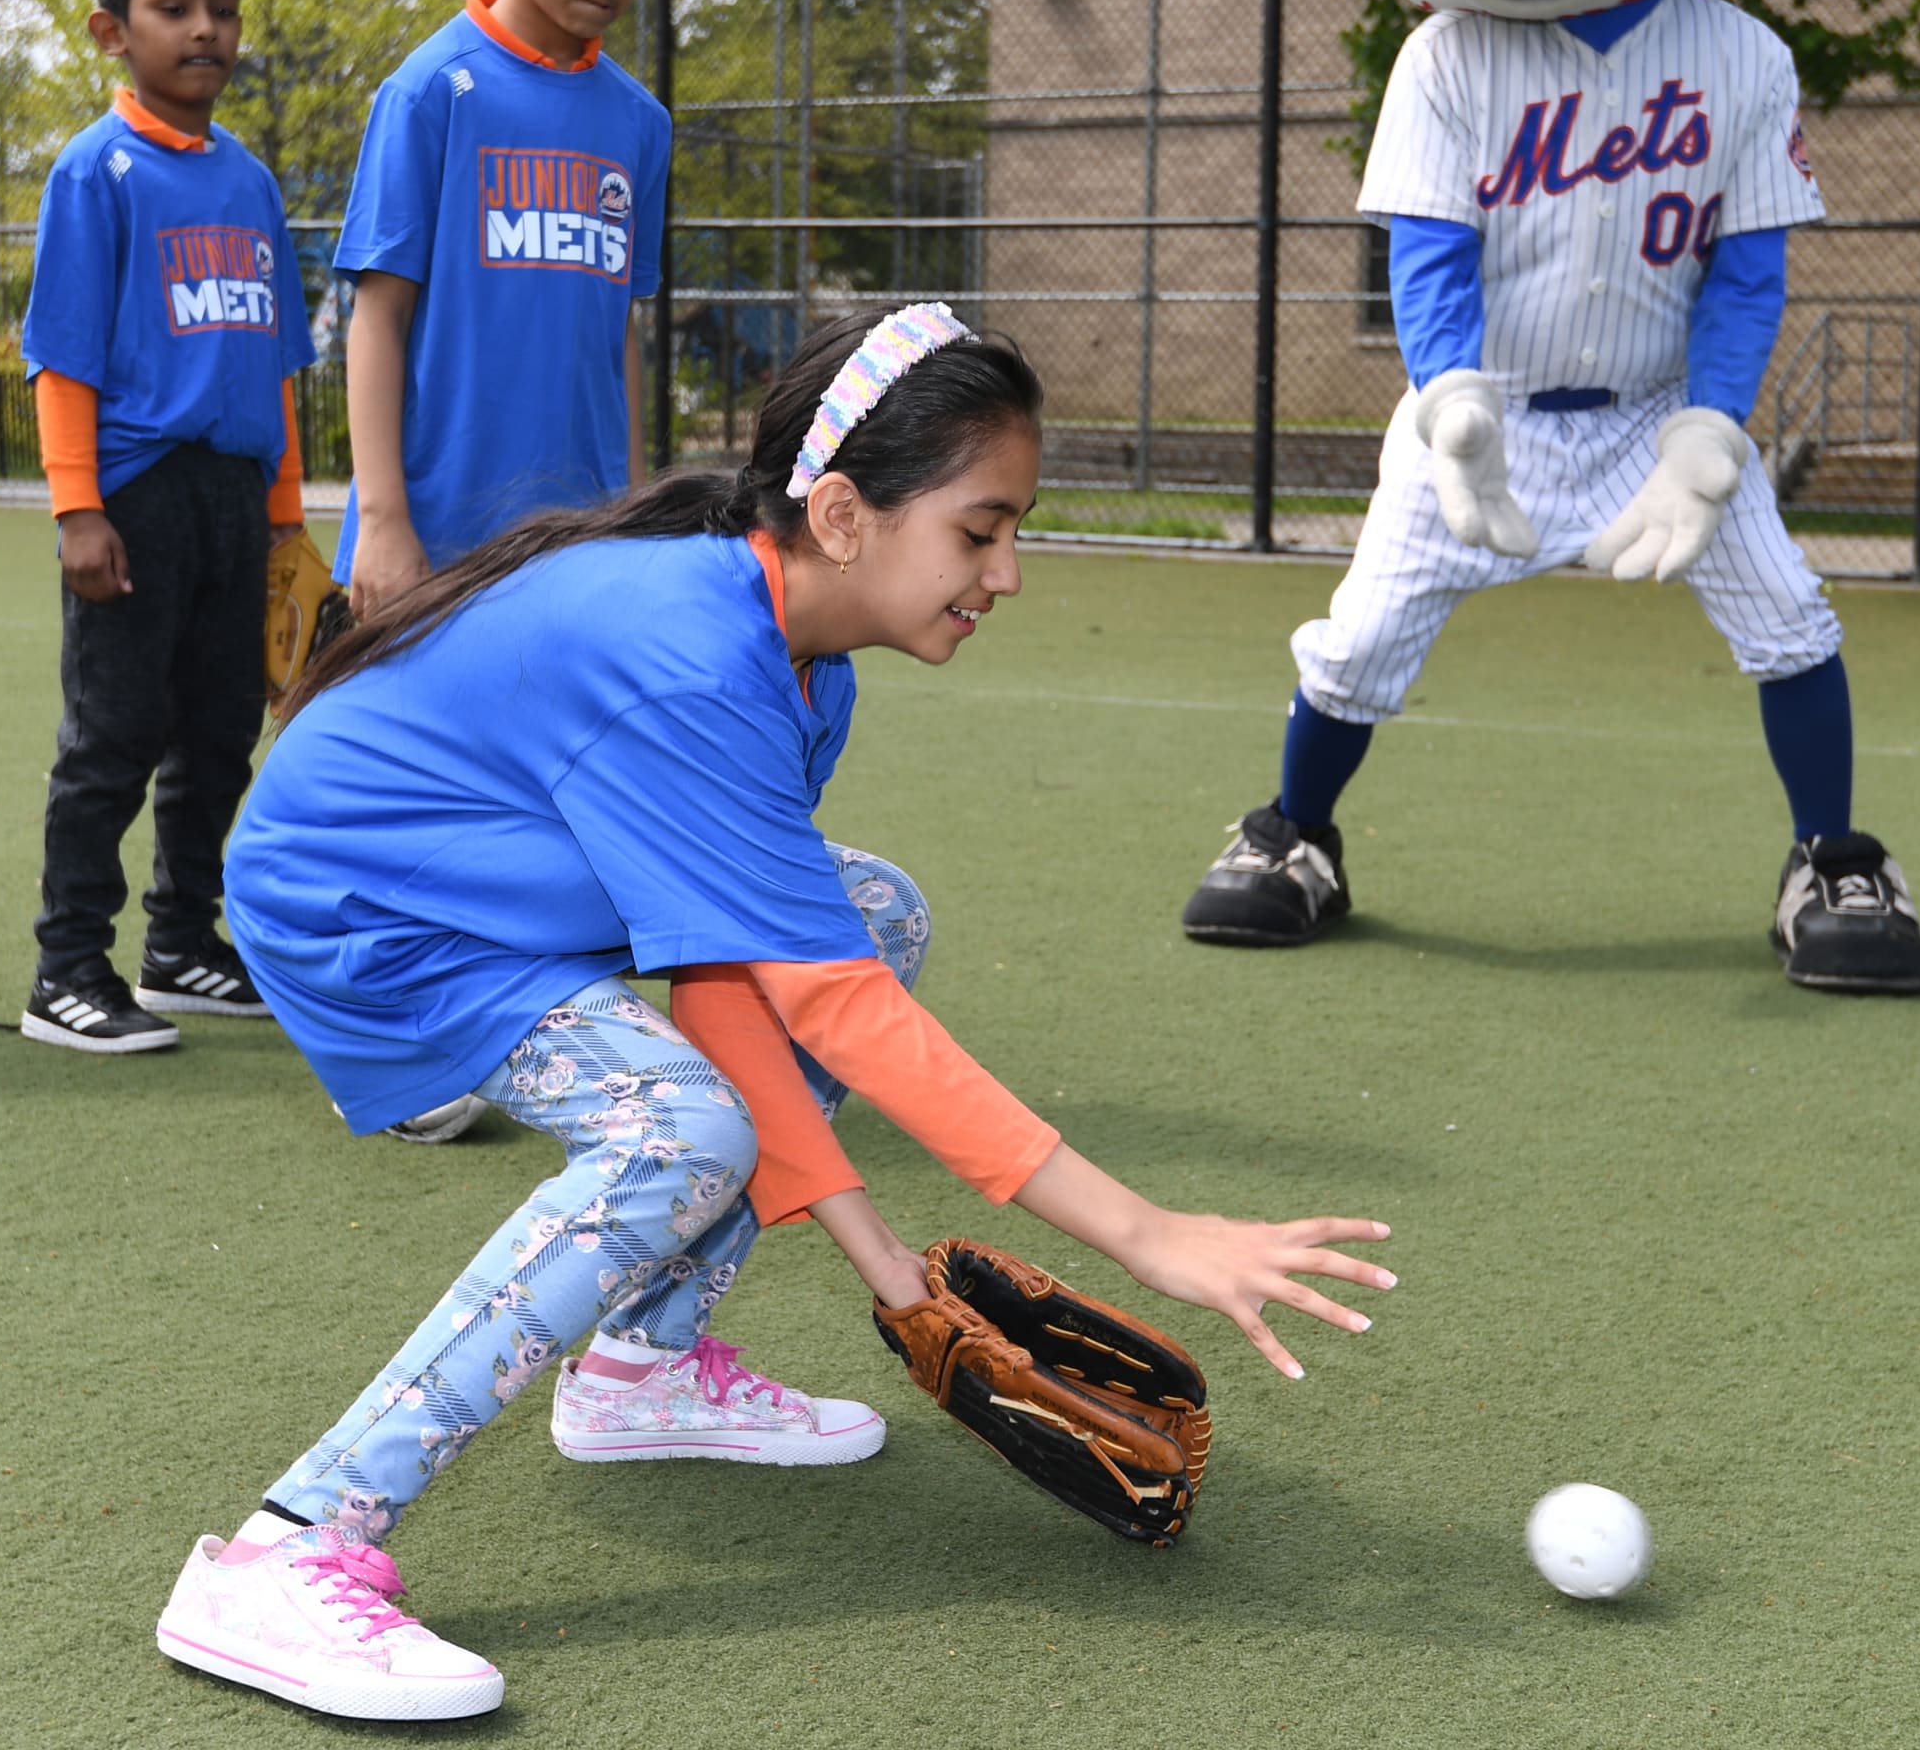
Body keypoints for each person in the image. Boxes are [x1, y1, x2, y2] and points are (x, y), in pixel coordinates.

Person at [156, 306, 1396, 1723]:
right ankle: (289, 1544)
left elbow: (735, 984)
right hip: (374, 909)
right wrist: (1147, 1233)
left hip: (504, 875)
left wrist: (896, 1282)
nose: (1008, 570)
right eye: (981, 530)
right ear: (845, 515)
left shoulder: (809, 668)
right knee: (677, 1128)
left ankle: (639, 1368)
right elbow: (827, 1018)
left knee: (873, 914)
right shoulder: (693, 651)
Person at [1181, 0, 1920, 995]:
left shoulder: (1740, 55)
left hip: (1661, 406)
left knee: (1790, 616)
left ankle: (1833, 854)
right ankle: (1296, 833)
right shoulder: (1448, 58)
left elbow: (1748, 270)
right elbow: (1428, 250)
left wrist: (1715, 431)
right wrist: (1449, 397)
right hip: (1489, 411)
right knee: (1361, 636)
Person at [329, 0, 681, 1140]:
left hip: (584, 531)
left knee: (553, 791)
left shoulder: (637, 124)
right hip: (443, 520)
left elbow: (622, 332)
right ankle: (390, 1039)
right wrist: (387, 517)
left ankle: (523, 1028)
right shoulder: (432, 91)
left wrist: (647, 503)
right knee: (417, 794)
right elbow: (379, 311)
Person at [18, 0, 315, 1053]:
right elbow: (63, 359)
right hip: (136, 498)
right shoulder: (96, 172)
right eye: (173, 7)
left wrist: (287, 521)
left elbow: (278, 368)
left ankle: (182, 942)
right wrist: (78, 507)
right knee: (114, 735)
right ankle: (67, 970)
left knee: (217, 731)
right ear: (113, 30)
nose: (205, 29)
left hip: (235, 501)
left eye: (222, 7)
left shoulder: (247, 182)